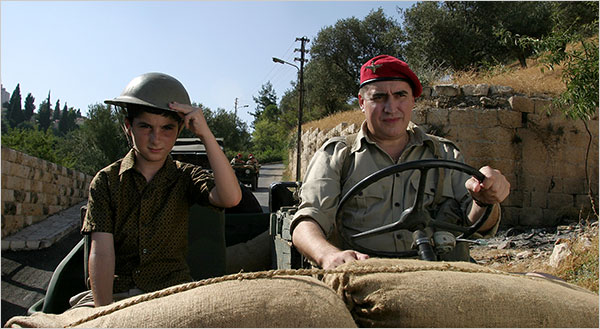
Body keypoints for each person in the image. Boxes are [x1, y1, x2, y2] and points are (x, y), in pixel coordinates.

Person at [290, 55, 511, 270]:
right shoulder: (338, 155)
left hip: (438, 276)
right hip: (364, 277)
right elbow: (307, 221)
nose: (391, 107)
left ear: (413, 100)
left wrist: (484, 200)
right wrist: (328, 255)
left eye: (400, 95)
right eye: (378, 97)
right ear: (361, 103)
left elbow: (476, 225)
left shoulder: (444, 154)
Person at [75, 72, 241, 307]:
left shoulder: (185, 176)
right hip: (115, 294)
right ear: (128, 127)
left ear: (179, 130)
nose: (156, 139)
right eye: (145, 127)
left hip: (171, 292)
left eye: (167, 128)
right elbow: (101, 253)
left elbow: (231, 197)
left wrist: (205, 134)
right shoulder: (106, 182)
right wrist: (104, 314)